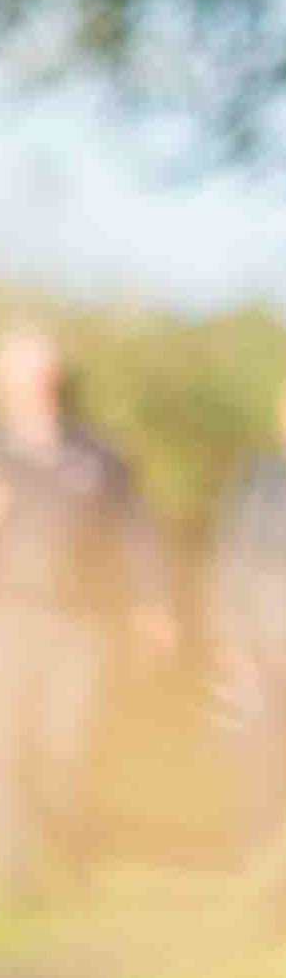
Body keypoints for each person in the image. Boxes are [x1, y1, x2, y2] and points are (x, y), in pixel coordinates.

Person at [0, 321, 169, 905]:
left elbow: (137, 534)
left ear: (56, 380)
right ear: (2, 386)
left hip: (81, 626)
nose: (28, 388)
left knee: (67, 747)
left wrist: (153, 605)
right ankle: (13, 881)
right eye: (16, 378)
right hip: (5, 618)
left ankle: (68, 849)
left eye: (38, 376)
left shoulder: (99, 456)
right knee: (3, 745)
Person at [204, 376, 286, 881]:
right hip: (263, 645)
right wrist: (228, 635)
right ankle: (265, 858)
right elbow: (228, 558)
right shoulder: (256, 480)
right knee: (261, 753)